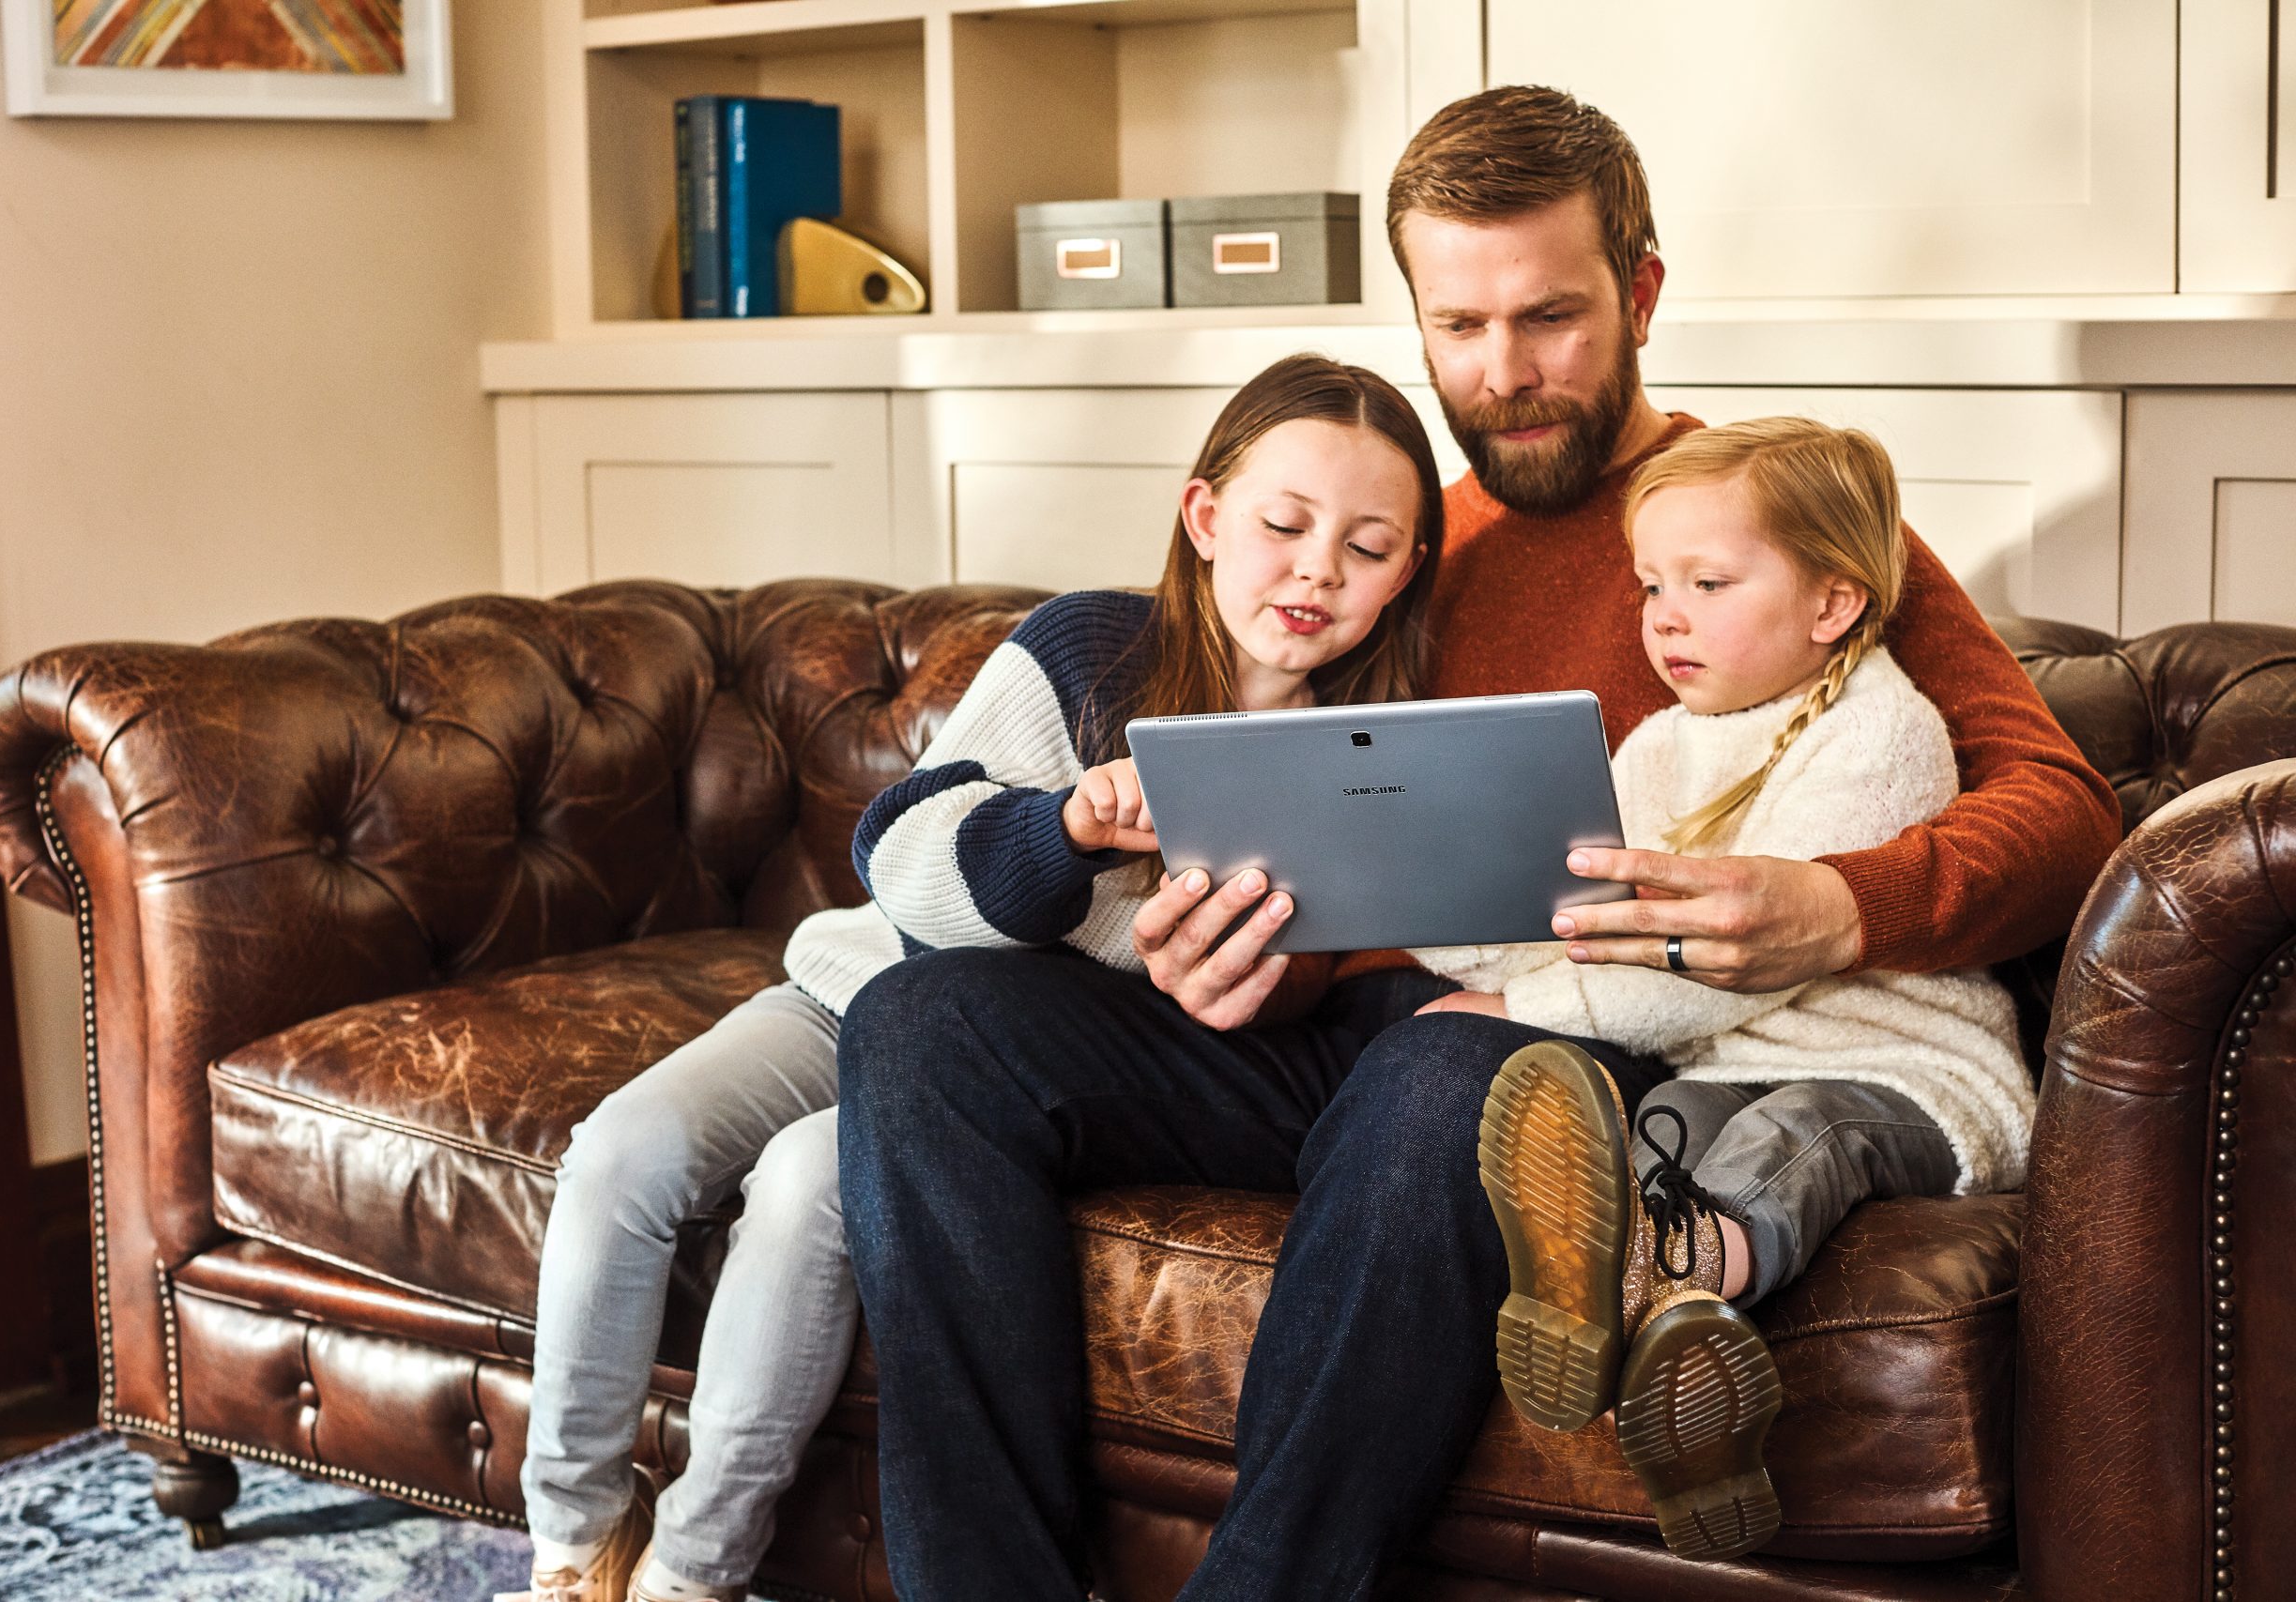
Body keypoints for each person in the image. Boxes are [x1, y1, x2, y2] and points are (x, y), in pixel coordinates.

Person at [836, 85, 2120, 1596]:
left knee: (1449, 1073)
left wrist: (1833, 903)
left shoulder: (1771, 532)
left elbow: (2061, 810)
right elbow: (1313, 835)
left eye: (1551, 318)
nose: (1502, 375)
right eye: (1458, 327)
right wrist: (1236, 962)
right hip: (1347, 1040)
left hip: (1583, 1041)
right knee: (923, 1024)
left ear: (1641, 292)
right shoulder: (1393, 549)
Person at [505, 352, 1444, 1602]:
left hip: (996, 1066)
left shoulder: (1355, 758)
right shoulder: (1092, 645)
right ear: (1206, 516)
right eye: (1285, 523)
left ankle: (689, 1569)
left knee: (803, 1186)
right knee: (624, 1148)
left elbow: (1242, 1021)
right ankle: (572, 1545)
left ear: (1409, 575)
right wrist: (1059, 827)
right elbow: (897, 848)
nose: (1320, 567)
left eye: (1370, 547)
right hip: (860, 981)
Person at [1426, 416, 2034, 1562]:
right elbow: (1581, 924)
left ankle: (1683, 1275)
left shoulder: (1881, 733)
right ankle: (1672, 1363)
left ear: (1832, 604)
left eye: (1706, 581)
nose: (1664, 614)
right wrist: (1442, 924)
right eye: (1652, 583)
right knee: (1652, 1128)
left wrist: (1521, 1014)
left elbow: (1705, 976)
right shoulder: (1659, 744)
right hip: (1733, 1064)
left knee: (1800, 1138)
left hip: (1900, 1076)